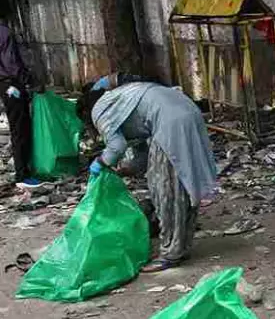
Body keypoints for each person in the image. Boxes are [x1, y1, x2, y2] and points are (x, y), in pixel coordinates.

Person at [78, 74, 218, 273]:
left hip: (169, 123)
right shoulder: (121, 98)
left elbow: (117, 146)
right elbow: (142, 151)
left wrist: (100, 163)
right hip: (187, 111)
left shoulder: (99, 110)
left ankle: (170, 253)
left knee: (166, 191)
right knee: (185, 186)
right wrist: (128, 168)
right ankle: (181, 246)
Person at [0, 0, 36, 188]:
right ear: (10, 12)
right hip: (13, 85)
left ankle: (22, 171)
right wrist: (29, 80)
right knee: (21, 129)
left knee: (16, 128)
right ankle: (23, 174)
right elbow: (12, 63)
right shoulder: (5, 32)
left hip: (2, 84)